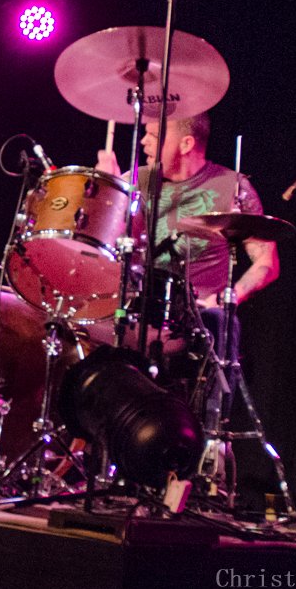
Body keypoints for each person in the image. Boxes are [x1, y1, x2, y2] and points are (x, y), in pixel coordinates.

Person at [95, 112, 278, 415]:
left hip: (195, 317)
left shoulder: (231, 187)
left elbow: (266, 262)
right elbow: (101, 247)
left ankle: (212, 438)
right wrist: (108, 190)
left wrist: (226, 298)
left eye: (153, 136)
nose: (143, 142)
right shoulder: (134, 180)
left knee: (222, 320)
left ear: (186, 143)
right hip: (136, 308)